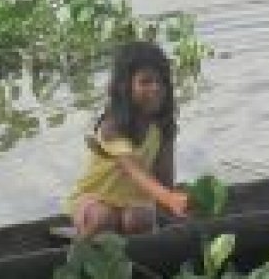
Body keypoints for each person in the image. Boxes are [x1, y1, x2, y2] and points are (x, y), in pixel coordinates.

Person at [67, 41, 189, 238]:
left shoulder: (163, 127)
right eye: (145, 82)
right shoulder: (111, 126)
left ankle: (135, 262)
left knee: (139, 219)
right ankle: (85, 253)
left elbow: (165, 179)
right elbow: (133, 170)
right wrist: (168, 197)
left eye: (161, 82)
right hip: (96, 200)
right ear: (125, 86)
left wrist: (176, 199)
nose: (156, 88)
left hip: (134, 203)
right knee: (102, 218)